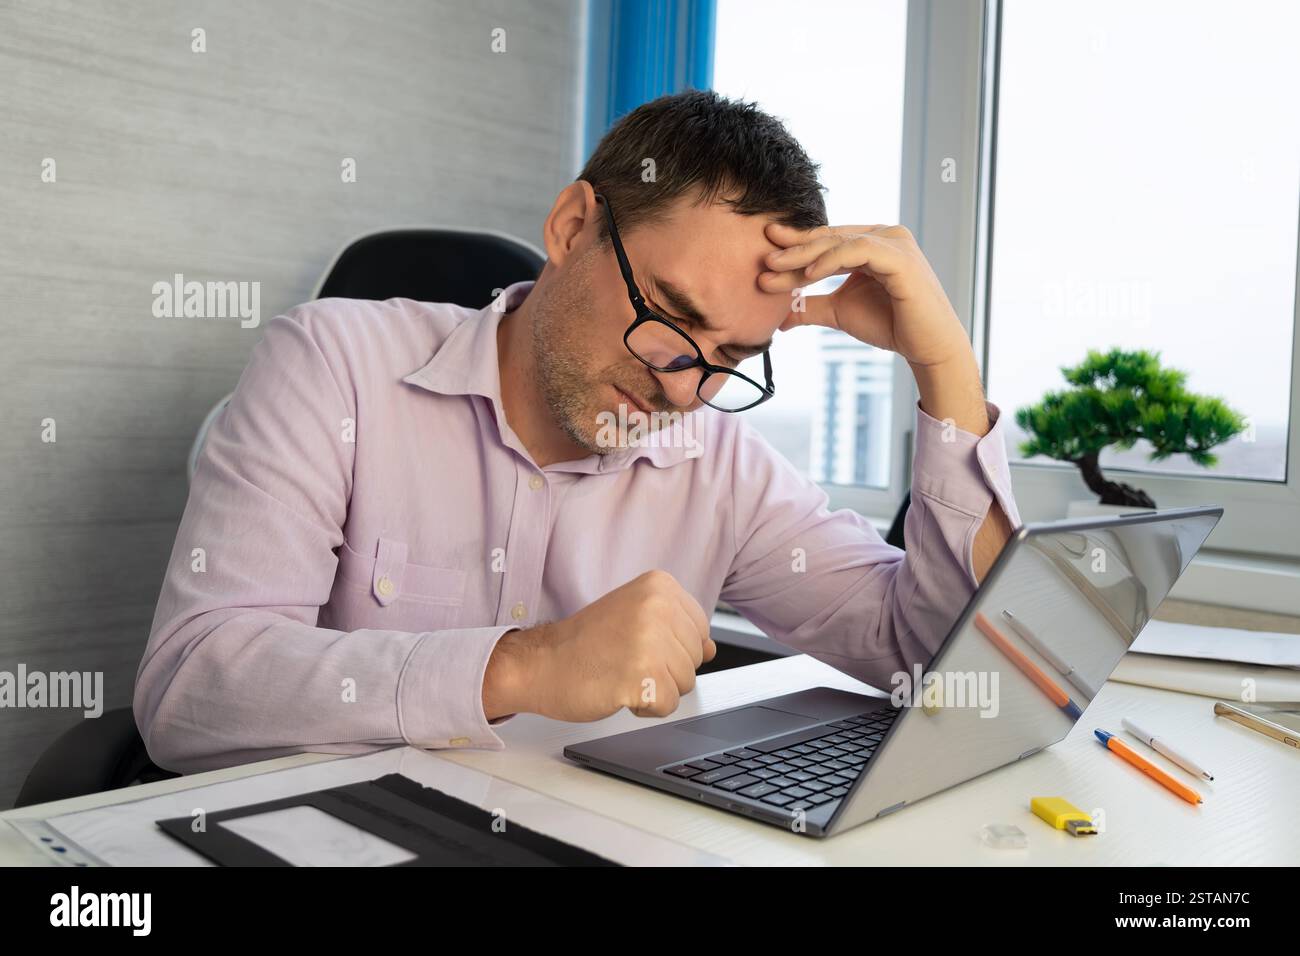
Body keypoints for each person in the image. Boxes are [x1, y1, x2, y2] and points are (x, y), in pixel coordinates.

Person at [135, 90, 1018, 772]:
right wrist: (521, 667)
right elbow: (190, 689)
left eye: (730, 358)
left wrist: (947, 373)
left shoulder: (722, 462)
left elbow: (940, 665)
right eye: (670, 317)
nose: (682, 390)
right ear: (571, 229)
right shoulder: (333, 364)